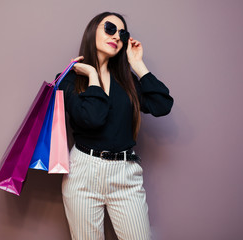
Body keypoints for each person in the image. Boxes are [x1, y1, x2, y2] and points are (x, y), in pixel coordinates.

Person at [56, 12, 174, 240]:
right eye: (110, 28)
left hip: (125, 174)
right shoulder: (70, 80)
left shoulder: (126, 80)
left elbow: (162, 105)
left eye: (123, 33)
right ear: (93, 31)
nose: (117, 36)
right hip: (83, 175)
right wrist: (91, 74)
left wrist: (138, 65)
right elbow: (93, 118)